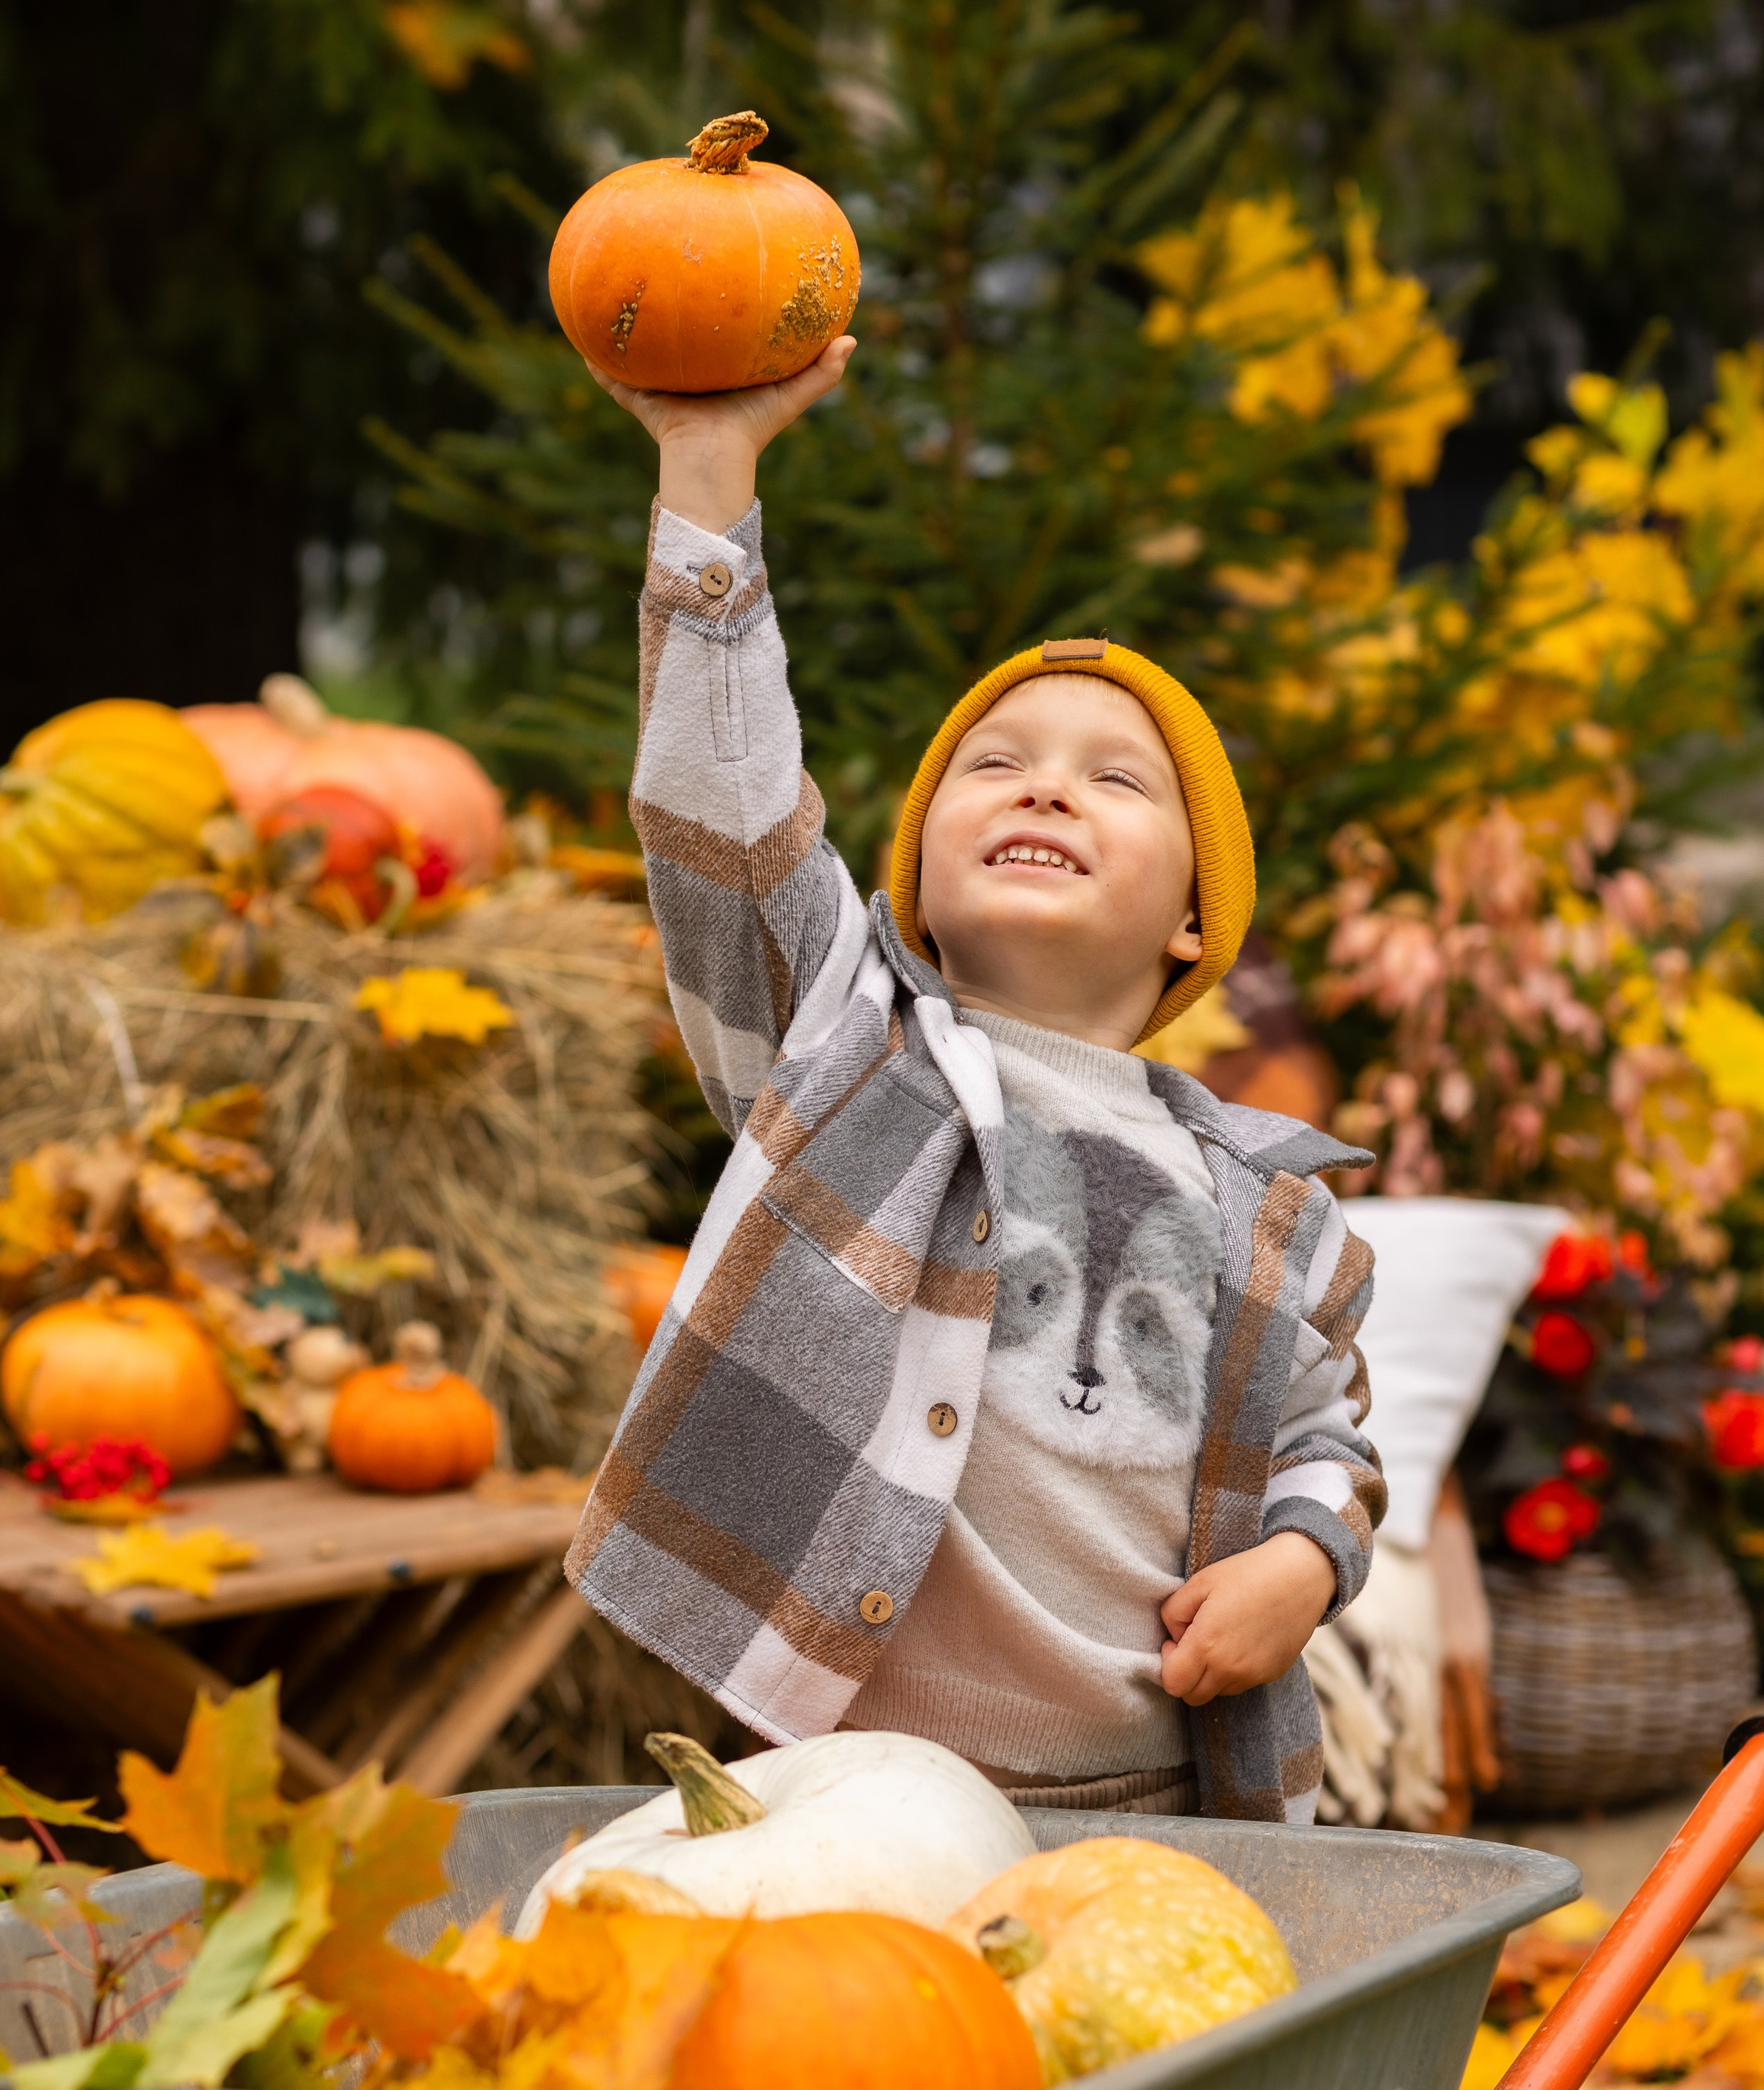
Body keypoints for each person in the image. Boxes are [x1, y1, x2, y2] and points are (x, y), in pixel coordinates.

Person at [566, 334, 1384, 1829]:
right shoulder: (844, 1048)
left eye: (1114, 780)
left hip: (1158, 1796)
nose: (1045, 784)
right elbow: (722, 819)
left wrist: (1302, 1562)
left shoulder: (1277, 1215)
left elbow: (1327, 1446)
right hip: (841, 1790)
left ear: (1194, 919)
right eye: (992, 765)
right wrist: (706, 469)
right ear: (922, 878)